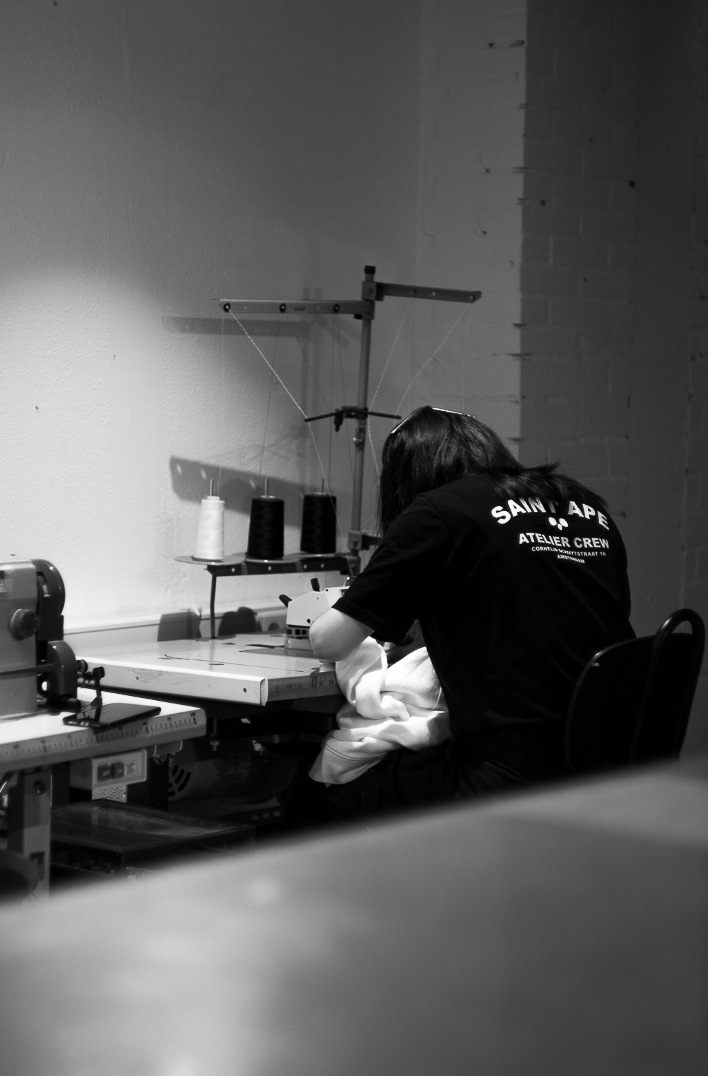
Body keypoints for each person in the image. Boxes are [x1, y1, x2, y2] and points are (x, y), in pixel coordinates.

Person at [289, 405, 634, 827]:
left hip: (507, 776)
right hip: (609, 765)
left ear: (406, 477)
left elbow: (327, 641)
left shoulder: (438, 510)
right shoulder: (582, 503)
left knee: (313, 800)